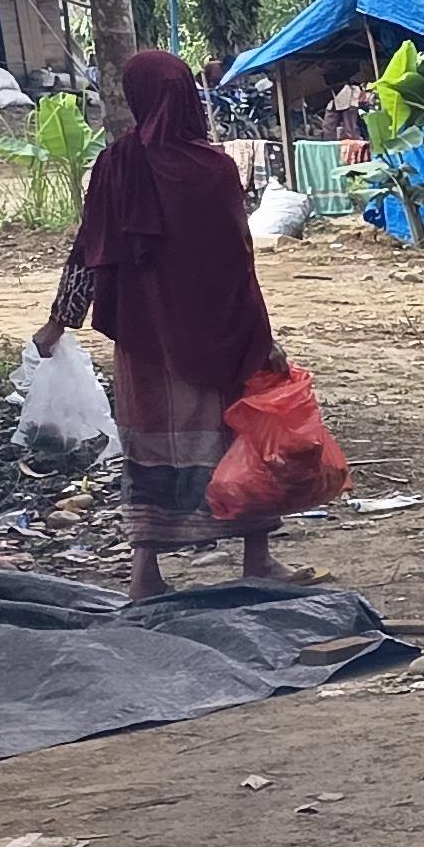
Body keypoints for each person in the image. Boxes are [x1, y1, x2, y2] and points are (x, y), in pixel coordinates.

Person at [33, 48, 287, 603]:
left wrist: (60, 321)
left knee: (150, 449)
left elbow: (90, 252)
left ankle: (145, 573)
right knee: (237, 440)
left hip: (147, 342)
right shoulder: (217, 170)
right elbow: (238, 263)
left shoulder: (114, 165)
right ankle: (257, 560)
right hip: (221, 335)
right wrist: (262, 340)